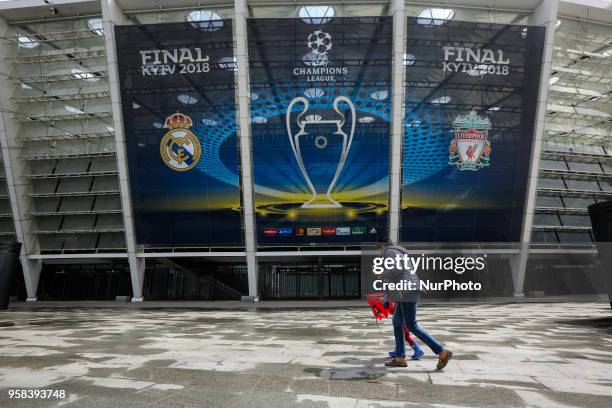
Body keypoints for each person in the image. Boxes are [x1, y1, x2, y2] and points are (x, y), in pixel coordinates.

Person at [381, 245, 453, 370]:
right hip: (406, 291)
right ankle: (400, 357)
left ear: (381, 246)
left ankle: (442, 351)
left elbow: (397, 270)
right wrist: (386, 297)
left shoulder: (390, 252)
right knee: (397, 321)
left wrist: (382, 273)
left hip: (408, 290)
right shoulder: (399, 253)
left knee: (411, 324)